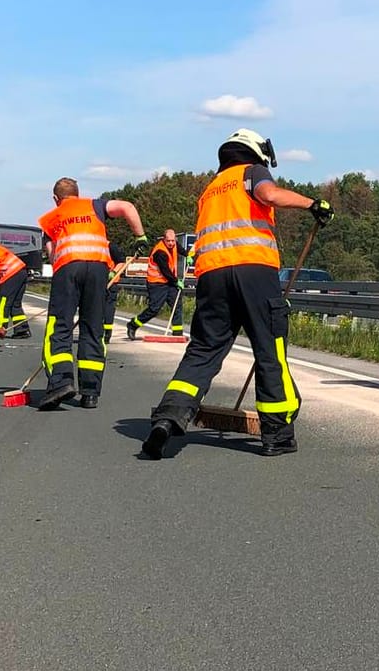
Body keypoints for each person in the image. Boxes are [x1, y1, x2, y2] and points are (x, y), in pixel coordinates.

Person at [142, 128, 334, 459]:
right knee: (269, 349)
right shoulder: (252, 171)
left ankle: (170, 416)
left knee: (203, 350)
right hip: (254, 272)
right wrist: (313, 204)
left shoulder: (211, 190)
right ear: (256, 152)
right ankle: (277, 434)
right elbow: (269, 195)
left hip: (212, 276)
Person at [37, 177, 148, 411]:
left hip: (68, 268)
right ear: (78, 194)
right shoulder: (95, 205)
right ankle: (90, 393)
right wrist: (140, 237)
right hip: (98, 269)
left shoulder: (50, 218)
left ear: (56, 198)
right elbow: (127, 207)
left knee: (59, 326)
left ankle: (61, 382)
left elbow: (52, 253)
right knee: (92, 327)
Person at [125, 228, 180, 340]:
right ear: (164, 239)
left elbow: (180, 249)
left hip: (169, 282)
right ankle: (133, 324)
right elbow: (165, 271)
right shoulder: (160, 252)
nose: (171, 243)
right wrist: (176, 281)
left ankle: (177, 334)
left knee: (177, 305)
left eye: (173, 241)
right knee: (154, 309)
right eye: (169, 241)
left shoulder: (174, 245)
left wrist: (188, 255)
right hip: (156, 283)